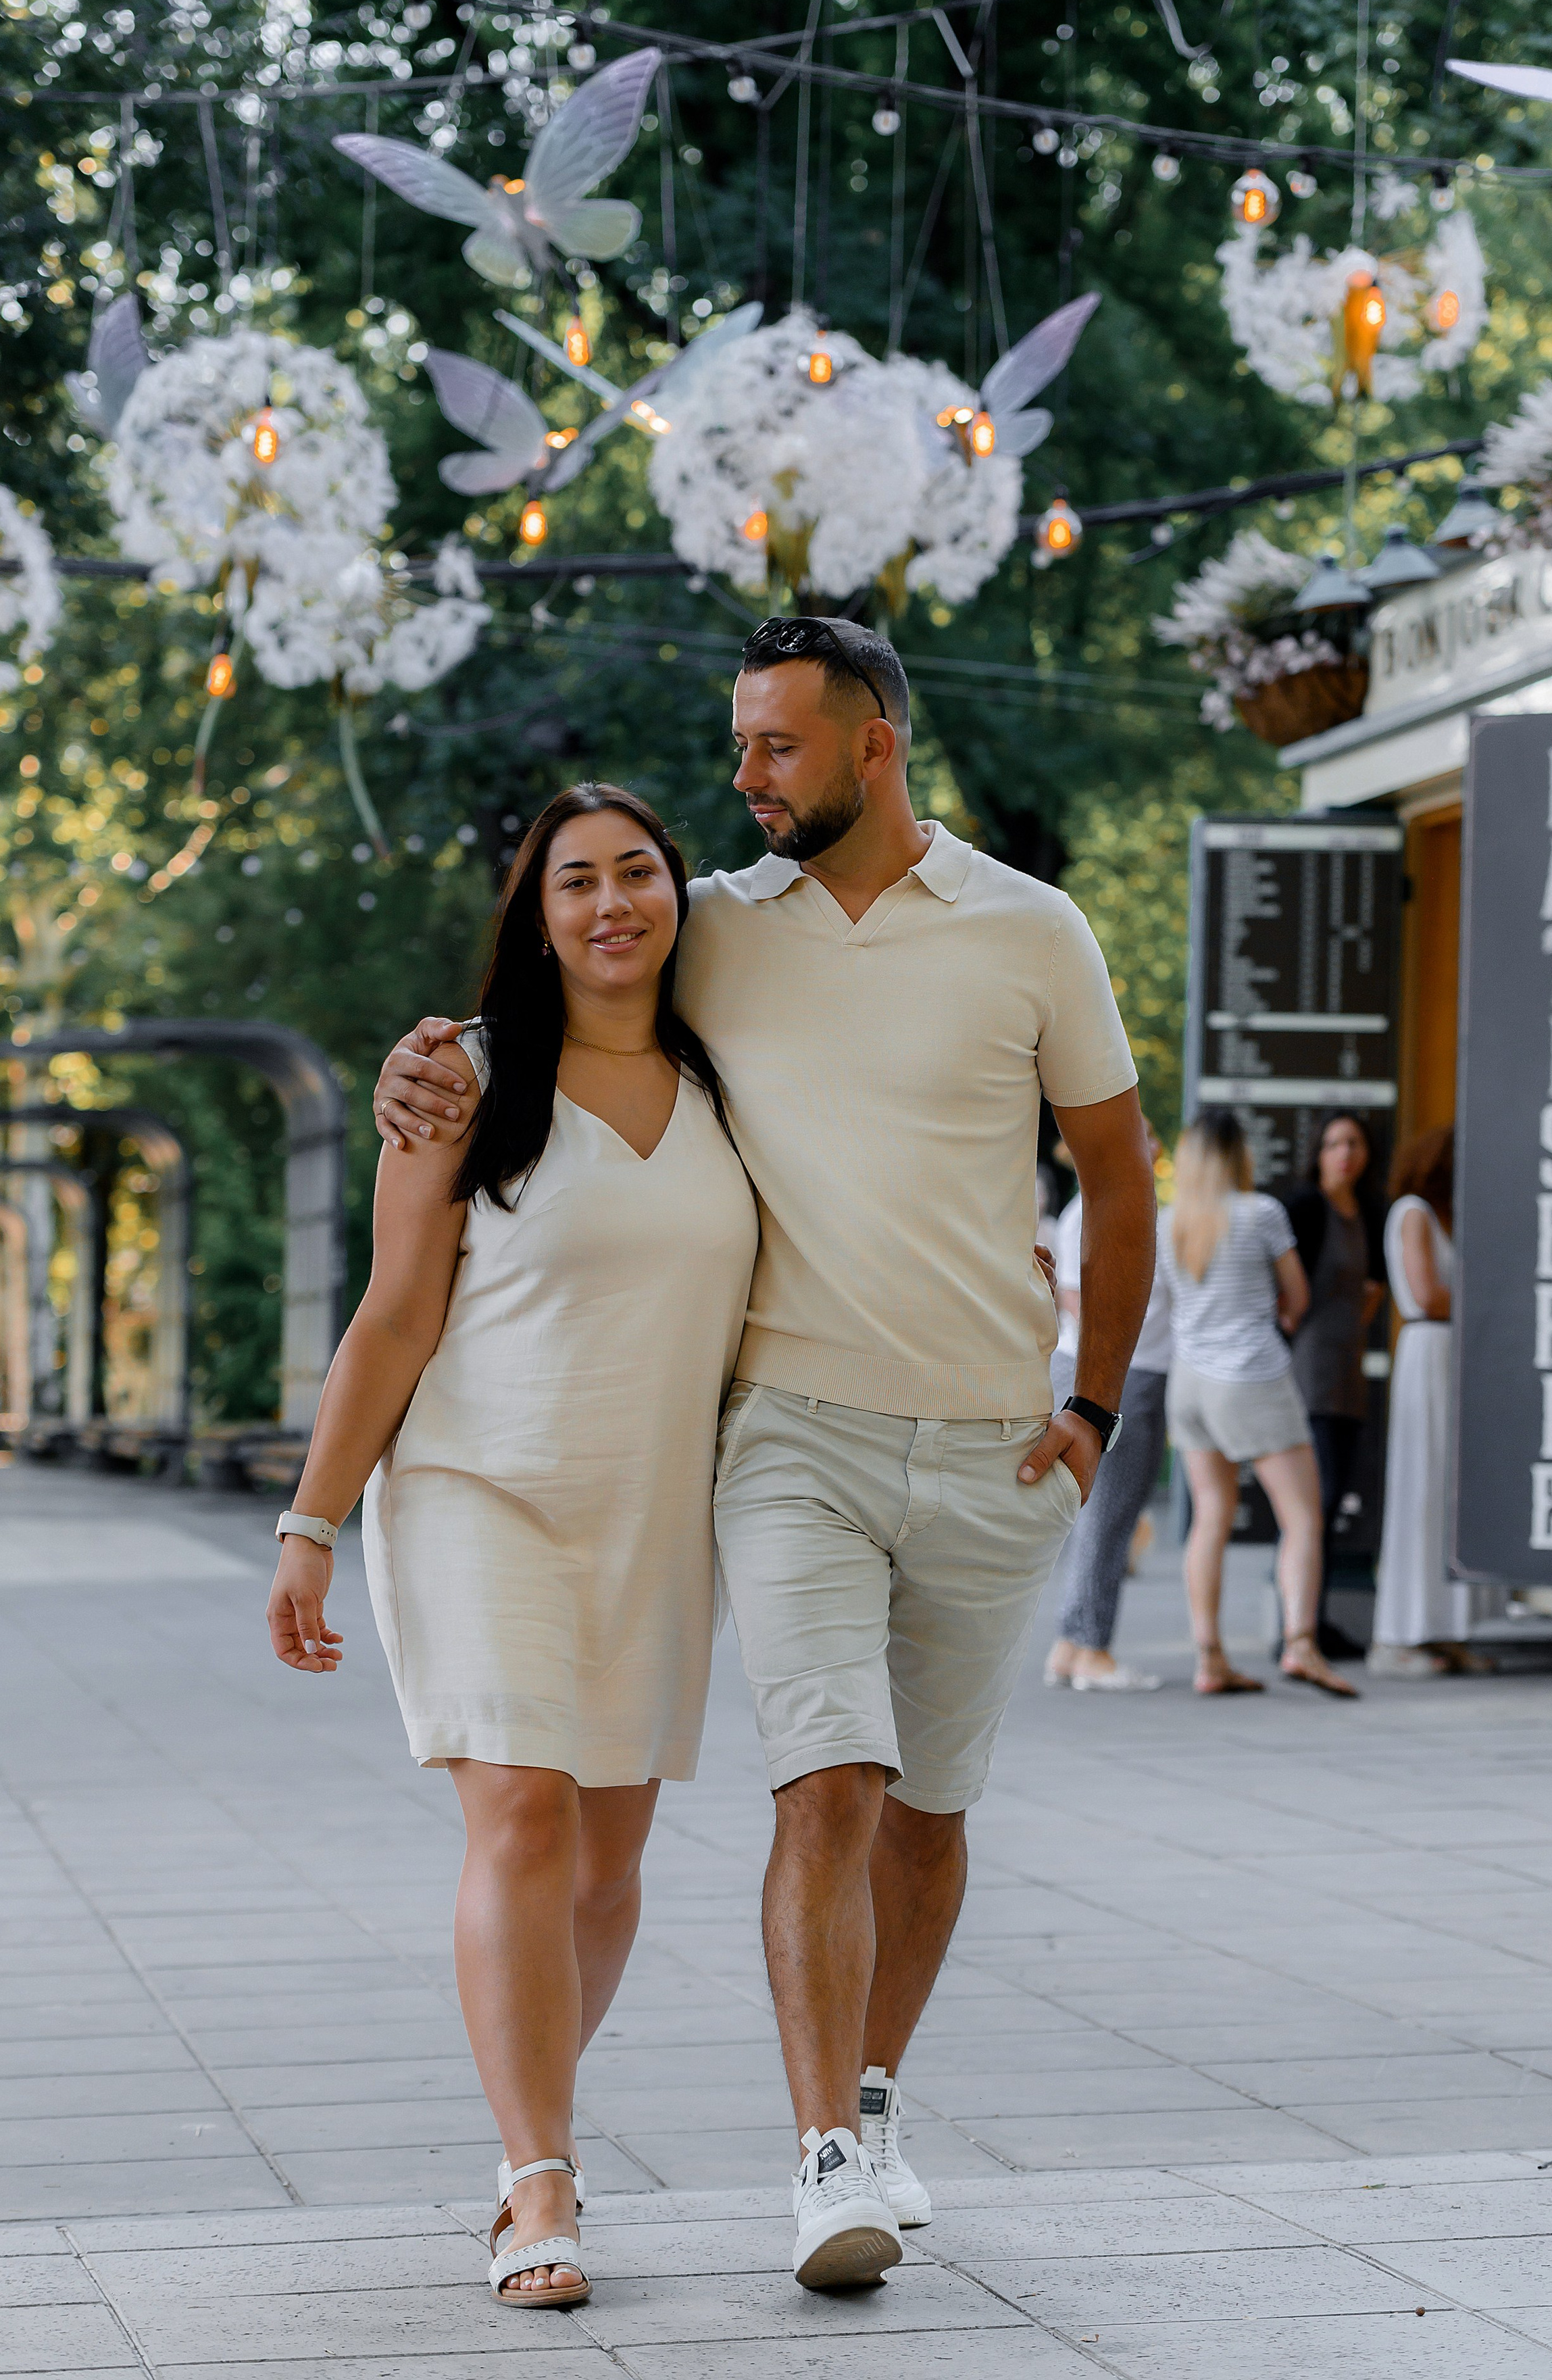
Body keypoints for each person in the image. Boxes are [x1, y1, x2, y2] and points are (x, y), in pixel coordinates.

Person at [372, 614, 1156, 2292]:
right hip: (785, 1427)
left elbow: (1117, 1163)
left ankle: (866, 2103)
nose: (741, 777)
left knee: (925, 1817)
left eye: (773, 746)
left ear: (872, 742)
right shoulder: (709, 916)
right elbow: (567, 964)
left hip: (995, 1442)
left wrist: (1093, 1404)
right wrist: (426, 1059)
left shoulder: (1033, 926)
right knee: (826, 1778)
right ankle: (795, 2162)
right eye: (734, 744)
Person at [265, 785, 757, 2308]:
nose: (610, 902)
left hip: (654, 1512)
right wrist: (310, 1521)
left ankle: (517, 2120)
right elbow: (396, 1311)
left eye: (636, 874)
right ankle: (540, 2172)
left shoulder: (737, 1079)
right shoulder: (466, 1080)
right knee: (525, 1821)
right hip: (479, 1487)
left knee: (607, 1868)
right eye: (574, 882)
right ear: (534, 917)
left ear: (677, 896)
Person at [1161, 1110, 1358, 1700]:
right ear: (1238, 1155)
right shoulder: (1261, 1214)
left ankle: (1210, 1658)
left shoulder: (1169, 1222)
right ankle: (1301, 1644)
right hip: (1251, 1376)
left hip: (1189, 1383)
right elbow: (1296, 1297)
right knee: (1302, 1518)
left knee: (1211, 1516)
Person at [1043, 1119, 1168, 1692]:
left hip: (1130, 1370)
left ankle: (1074, 1644)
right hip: (1122, 1373)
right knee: (1110, 1514)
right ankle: (1091, 1647)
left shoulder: (1108, 1206)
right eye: (1135, 1130)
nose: (1150, 1140)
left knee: (1105, 1514)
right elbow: (1075, 1301)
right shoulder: (1094, 1209)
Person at [1371, 1124, 1499, 1673]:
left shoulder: (1445, 1215)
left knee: (1452, 1494)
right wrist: (1493, 1297)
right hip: (1430, 1350)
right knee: (1422, 1490)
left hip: (1455, 1353)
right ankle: (1402, 1634)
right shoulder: (1413, 1211)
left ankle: (1446, 1629)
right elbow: (1426, 1293)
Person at [1282, 1111, 1387, 1660]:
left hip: (1348, 1373)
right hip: (1308, 1371)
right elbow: (1278, 1284)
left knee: (1335, 1499)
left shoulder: (1371, 1213)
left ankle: (1314, 1623)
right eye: (1333, 1144)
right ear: (1318, 1153)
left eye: (1354, 1143)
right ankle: (1299, 1626)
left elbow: (1376, 1287)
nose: (1344, 1152)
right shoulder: (1305, 1208)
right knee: (1312, 1501)